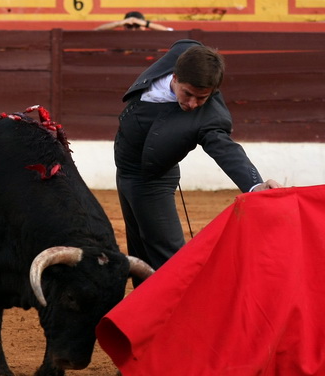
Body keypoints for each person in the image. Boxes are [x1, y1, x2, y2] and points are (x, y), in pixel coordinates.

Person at [114, 39, 280, 278]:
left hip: (152, 180)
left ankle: (183, 312)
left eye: (201, 98)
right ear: (175, 77)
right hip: (126, 172)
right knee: (140, 253)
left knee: (169, 259)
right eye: (188, 94)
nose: (192, 104)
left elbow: (227, 150)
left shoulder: (210, 119)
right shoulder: (183, 53)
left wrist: (255, 185)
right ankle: (144, 314)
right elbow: (187, 44)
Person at [95, 11, 173, 31]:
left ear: (144, 26)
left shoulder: (151, 37)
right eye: (129, 26)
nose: (133, 29)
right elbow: (96, 31)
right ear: (124, 27)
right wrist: (119, 23)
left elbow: (169, 32)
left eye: (137, 26)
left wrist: (146, 24)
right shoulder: (119, 38)